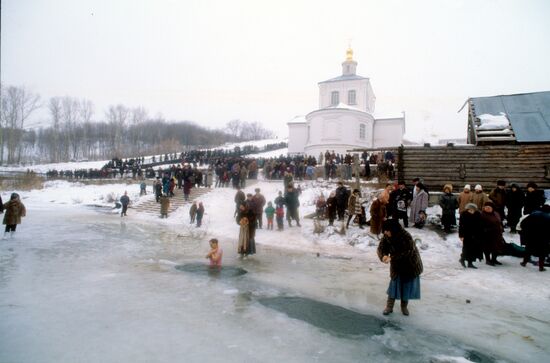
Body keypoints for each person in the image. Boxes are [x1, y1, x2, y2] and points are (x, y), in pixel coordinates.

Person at [377, 219, 423, 316]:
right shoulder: (386, 236)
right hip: (396, 264)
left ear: (393, 229)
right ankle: (389, 307)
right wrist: (383, 256)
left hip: (410, 264)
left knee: (406, 286)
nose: (385, 232)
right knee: (394, 284)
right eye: (384, 231)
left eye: (386, 230)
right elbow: (381, 248)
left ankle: (404, 306)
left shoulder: (405, 236)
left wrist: (392, 257)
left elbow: (407, 252)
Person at [519, 205, 550, 271]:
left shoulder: (533, 215)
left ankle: (524, 262)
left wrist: (526, 232)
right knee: (542, 253)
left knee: (528, 250)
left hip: (531, 236)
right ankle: (541, 267)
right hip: (543, 238)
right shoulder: (548, 217)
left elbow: (523, 224)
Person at [458, 203, 483, 268]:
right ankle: (462, 259)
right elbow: (461, 226)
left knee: (473, 249)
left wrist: (480, 233)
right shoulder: (464, 214)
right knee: (466, 248)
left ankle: (470, 263)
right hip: (467, 234)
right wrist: (461, 235)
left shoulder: (478, 214)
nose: (471, 211)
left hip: (475, 234)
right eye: (470, 210)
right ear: (467, 209)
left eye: (473, 210)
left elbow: (480, 225)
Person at [479, 201, 504, 266]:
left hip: (497, 234)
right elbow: (479, 225)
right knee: (487, 248)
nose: (487, 208)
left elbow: (499, 222)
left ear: (492, 208)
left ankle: (494, 259)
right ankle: (488, 260)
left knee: (496, 247)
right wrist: (485, 230)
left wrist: (501, 229)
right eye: (486, 207)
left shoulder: (496, 213)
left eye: (489, 207)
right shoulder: (481, 215)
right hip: (487, 234)